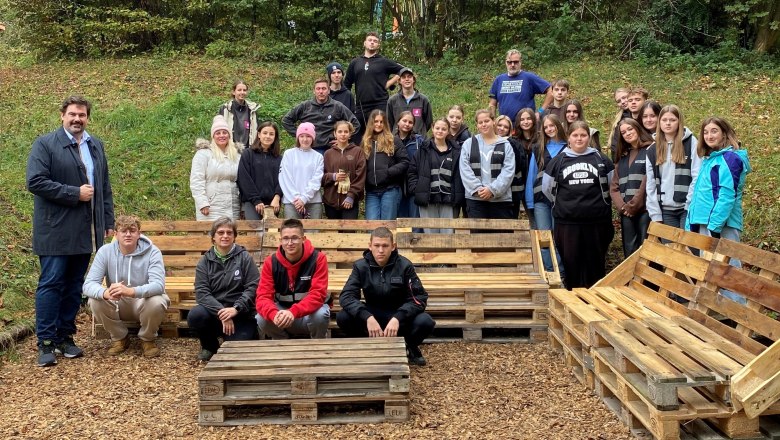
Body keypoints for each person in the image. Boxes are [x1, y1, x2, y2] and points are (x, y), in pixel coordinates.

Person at [26, 95, 115, 367]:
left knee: (75, 285)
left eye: (82, 115)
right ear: (62, 116)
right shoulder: (45, 144)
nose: (77, 119)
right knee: (52, 283)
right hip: (55, 230)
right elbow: (36, 181)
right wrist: (74, 193)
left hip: (85, 231)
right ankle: (46, 341)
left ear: (88, 117)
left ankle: (65, 336)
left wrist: (107, 220)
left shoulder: (95, 146)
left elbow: (104, 187)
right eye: (72, 114)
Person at [337, 227, 435, 366]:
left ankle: (409, 347)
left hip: (399, 318)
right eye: (377, 246)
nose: (381, 250)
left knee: (425, 321)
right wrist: (367, 316)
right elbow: (347, 296)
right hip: (372, 317)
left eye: (385, 246)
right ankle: (367, 348)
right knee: (343, 317)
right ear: (370, 246)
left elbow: (419, 298)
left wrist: (398, 317)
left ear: (393, 247)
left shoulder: (405, 266)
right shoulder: (360, 266)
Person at [542, 121, 614, 289]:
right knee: (571, 263)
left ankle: (596, 300)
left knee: (595, 264)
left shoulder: (601, 159)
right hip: (567, 224)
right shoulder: (558, 161)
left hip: (596, 222)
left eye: (583, 135)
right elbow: (547, 188)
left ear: (589, 137)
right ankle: (573, 299)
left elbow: (612, 184)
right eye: (575, 135)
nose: (579, 139)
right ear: (568, 137)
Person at [83, 215, 168, 357]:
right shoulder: (105, 252)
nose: (128, 234)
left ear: (139, 234)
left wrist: (131, 291)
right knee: (95, 300)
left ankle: (148, 339)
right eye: (123, 231)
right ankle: (120, 338)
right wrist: (105, 293)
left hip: (142, 301)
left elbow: (158, 285)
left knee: (157, 301)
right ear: (116, 234)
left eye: (132, 230)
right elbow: (88, 284)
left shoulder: (153, 252)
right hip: (116, 301)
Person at [686, 117, 751, 304]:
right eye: (705, 132)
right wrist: (691, 220)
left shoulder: (730, 158)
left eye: (714, 131)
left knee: (730, 270)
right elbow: (700, 193)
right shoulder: (709, 159)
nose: (709, 135)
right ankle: (719, 312)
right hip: (703, 222)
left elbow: (727, 195)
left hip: (722, 224)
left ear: (724, 133)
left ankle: (740, 314)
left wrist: (715, 226)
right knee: (710, 269)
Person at [187, 217, 259, 361]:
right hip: (215, 312)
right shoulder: (205, 261)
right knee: (196, 315)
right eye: (220, 232)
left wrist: (236, 308)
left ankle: (232, 338)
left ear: (234, 236)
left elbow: (253, 286)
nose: (225, 236)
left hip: (240, 313)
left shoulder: (244, 258)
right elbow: (202, 292)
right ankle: (209, 346)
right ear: (213, 237)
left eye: (229, 233)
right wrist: (222, 313)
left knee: (238, 351)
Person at [256, 219, 330, 339]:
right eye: (285, 238)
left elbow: (318, 294)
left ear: (303, 239)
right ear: (280, 240)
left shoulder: (318, 259)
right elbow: (263, 297)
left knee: (321, 315)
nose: (290, 243)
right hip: (282, 312)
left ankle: (317, 345)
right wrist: (274, 315)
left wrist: (293, 312)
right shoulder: (271, 262)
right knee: (261, 318)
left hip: (307, 314)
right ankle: (283, 344)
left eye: (295, 238)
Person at [645, 104, 702, 229]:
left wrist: (689, 204)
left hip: (686, 207)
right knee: (669, 247)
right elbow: (651, 185)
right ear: (659, 123)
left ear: (679, 122)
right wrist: (655, 215)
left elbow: (697, 175)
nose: (668, 123)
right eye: (664, 120)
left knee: (688, 247)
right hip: (665, 210)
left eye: (672, 120)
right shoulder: (652, 150)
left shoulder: (691, 143)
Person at [344, 32, 405, 141]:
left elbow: (404, 70)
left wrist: (390, 83)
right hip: (360, 106)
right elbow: (346, 85)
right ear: (364, 43)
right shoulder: (355, 62)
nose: (372, 42)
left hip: (380, 104)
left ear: (378, 45)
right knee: (357, 138)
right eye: (370, 40)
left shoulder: (384, 62)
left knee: (380, 137)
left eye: (375, 41)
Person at [525, 114, 566, 274]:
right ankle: (549, 272)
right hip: (541, 200)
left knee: (558, 238)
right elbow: (531, 175)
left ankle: (561, 273)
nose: (549, 129)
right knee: (544, 237)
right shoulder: (538, 148)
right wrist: (529, 201)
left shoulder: (568, 147)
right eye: (546, 127)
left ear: (558, 126)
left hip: (561, 200)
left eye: (552, 126)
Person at [408, 118, 464, 233]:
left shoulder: (456, 151)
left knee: (447, 235)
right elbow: (412, 171)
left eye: (444, 129)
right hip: (428, 199)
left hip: (448, 199)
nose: (440, 131)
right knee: (430, 235)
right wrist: (417, 189)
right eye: (437, 128)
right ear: (432, 129)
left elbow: (460, 174)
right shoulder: (423, 149)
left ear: (448, 131)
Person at [459, 109, 516, 219]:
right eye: (480, 122)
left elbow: (508, 171)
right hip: (476, 200)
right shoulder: (468, 144)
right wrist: (477, 189)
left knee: (502, 236)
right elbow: (464, 169)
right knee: (478, 236)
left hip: (500, 200)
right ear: (477, 125)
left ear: (493, 121)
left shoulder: (506, 145)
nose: (484, 124)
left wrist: (492, 190)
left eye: (486, 121)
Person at [282, 78, 360, 155]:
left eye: (324, 88)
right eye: (318, 89)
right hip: (309, 148)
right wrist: (300, 135)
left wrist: (343, 139)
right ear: (314, 91)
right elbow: (286, 120)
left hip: (330, 149)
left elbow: (355, 124)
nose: (321, 91)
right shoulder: (305, 106)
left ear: (329, 90)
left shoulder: (337, 106)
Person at [610, 119, 652, 258]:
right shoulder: (622, 156)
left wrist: (634, 205)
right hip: (626, 212)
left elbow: (648, 180)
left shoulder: (650, 150)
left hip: (645, 210)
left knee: (645, 250)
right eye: (623, 132)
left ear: (637, 129)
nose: (627, 133)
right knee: (629, 251)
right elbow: (614, 187)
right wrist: (622, 207)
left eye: (630, 129)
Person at [190, 115, 242, 221]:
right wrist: (202, 203)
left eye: (224, 132)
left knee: (228, 234)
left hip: (232, 205)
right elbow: (196, 180)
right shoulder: (203, 154)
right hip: (211, 207)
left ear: (229, 135)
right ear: (213, 136)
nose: (221, 136)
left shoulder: (237, 156)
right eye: (218, 133)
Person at [363, 109, 409, 220]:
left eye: (381, 122)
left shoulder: (393, 140)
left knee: (387, 225)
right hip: (371, 191)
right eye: (376, 121)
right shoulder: (365, 142)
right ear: (371, 123)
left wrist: (388, 172)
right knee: (371, 224)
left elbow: (404, 162)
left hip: (390, 189)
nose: (378, 124)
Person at [488, 49, 553, 122]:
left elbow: (551, 90)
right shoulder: (499, 80)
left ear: (520, 62)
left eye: (515, 62)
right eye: (509, 62)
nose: (512, 65)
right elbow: (492, 104)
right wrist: (493, 120)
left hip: (525, 125)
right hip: (506, 127)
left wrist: (540, 111)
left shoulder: (529, 77)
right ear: (505, 63)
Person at [237, 120, 282, 220]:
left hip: (273, 203)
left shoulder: (279, 158)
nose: (267, 136)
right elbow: (244, 178)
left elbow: (283, 179)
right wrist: (256, 200)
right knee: (254, 232)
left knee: (271, 233)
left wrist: (277, 197)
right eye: (265, 133)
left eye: (271, 134)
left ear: (275, 137)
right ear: (259, 134)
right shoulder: (248, 154)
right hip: (253, 203)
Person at [279, 122, 325, 219]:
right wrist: (297, 199)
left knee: (313, 234)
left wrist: (304, 198)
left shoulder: (318, 157)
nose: (305, 139)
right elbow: (285, 178)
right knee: (292, 232)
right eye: (302, 136)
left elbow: (316, 180)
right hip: (292, 202)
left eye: (308, 136)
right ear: (297, 138)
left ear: (312, 138)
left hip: (313, 202)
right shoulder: (289, 154)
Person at [322, 120, 367, 219]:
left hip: (350, 201)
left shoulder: (357, 152)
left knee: (349, 233)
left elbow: (361, 176)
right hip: (331, 201)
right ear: (335, 133)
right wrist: (333, 176)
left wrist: (351, 195)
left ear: (350, 134)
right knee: (332, 233)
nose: (343, 134)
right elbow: (321, 176)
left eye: (346, 132)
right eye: (340, 131)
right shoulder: (328, 154)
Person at [393, 111, 425, 219]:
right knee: (401, 220)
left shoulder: (419, 141)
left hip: (414, 184)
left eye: (410, 122)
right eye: (404, 121)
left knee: (415, 219)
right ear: (398, 122)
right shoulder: (390, 140)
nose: (407, 124)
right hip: (397, 185)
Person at [495, 115, 527, 218]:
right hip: (492, 191)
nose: (502, 128)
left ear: (510, 130)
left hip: (513, 192)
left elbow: (518, 166)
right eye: (499, 125)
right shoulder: (486, 142)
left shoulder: (514, 144)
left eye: (505, 127)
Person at [386, 67, 433, 137]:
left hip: (418, 141)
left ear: (413, 79)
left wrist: (419, 131)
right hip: (398, 140)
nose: (407, 79)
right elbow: (389, 122)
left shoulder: (423, 99)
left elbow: (428, 121)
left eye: (409, 77)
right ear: (399, 81)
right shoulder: (392, 100)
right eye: (403, 77)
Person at [217, 80, 259, 147]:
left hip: (247, 149)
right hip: (230, 149)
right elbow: (218, 130)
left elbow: (256, 130)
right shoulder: (225, 109)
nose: (242, 92)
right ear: (234, 92)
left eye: (244, 90)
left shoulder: (252, 110)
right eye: (239, 90)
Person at [607, 87, 632, 160]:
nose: (622, 102)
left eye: (624, 97)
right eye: (619, 101)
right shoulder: (620, 119)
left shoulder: (640, 114)